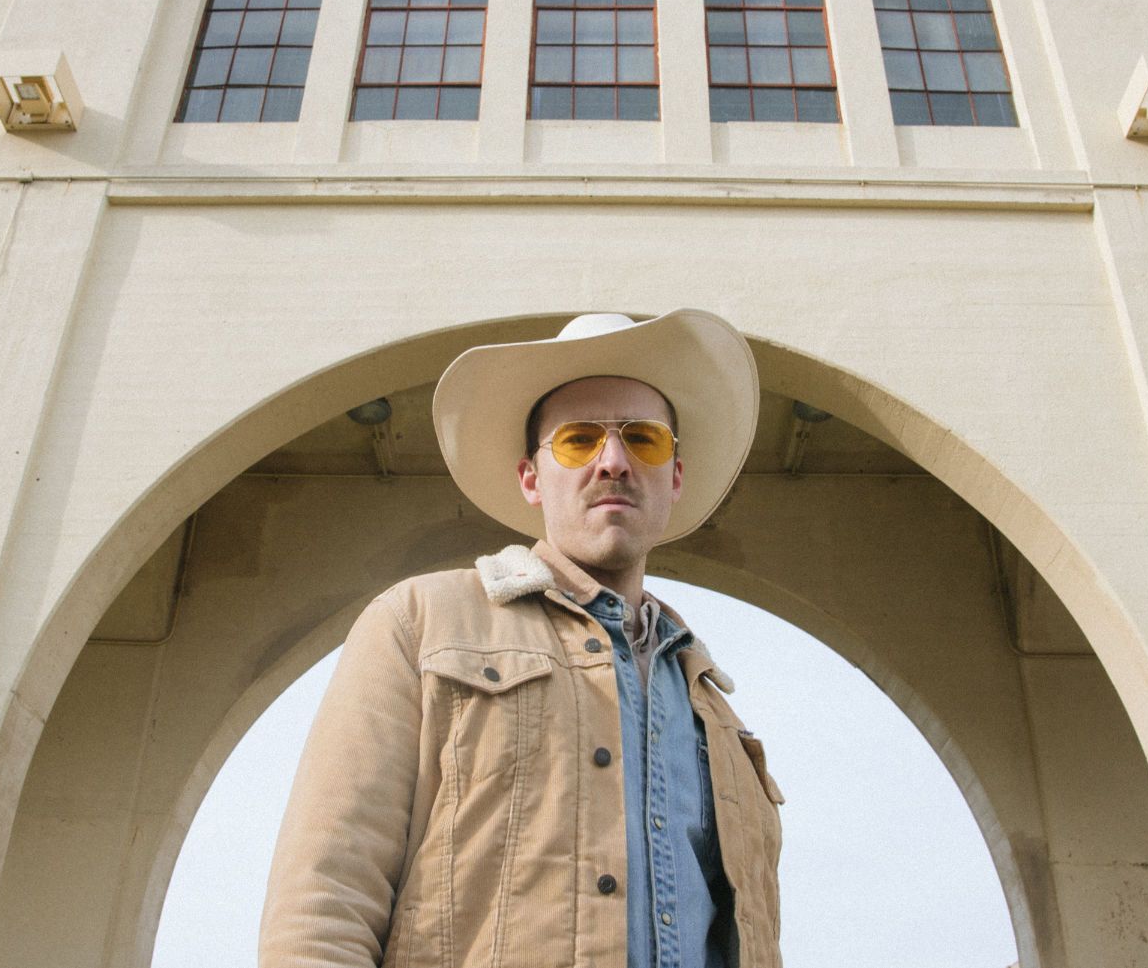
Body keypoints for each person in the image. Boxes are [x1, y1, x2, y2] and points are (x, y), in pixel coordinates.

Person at [259, 309, 784, 968]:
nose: (613, 462)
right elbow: (324, 906)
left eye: (643, 440)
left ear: (674, 475)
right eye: (578, 440)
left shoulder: (719, 719)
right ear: (531, 477)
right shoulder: (422, 623)